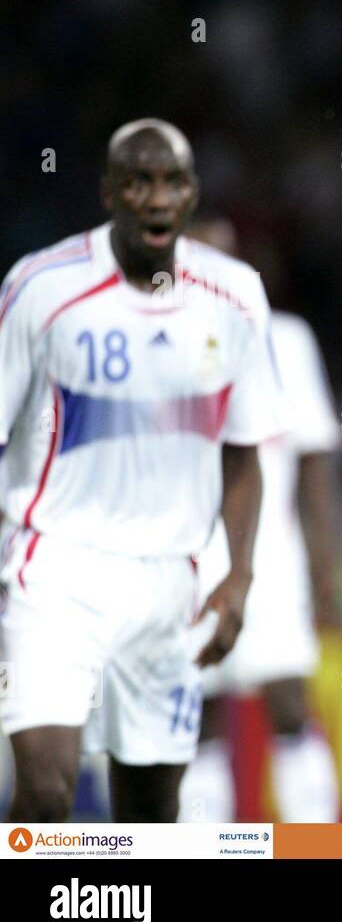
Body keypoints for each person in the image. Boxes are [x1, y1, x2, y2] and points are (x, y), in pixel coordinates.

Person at [0, 119, 281, 822]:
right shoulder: (42, 288)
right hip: (55, 568)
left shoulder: (237, 297)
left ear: (191, 196)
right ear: (108, 193)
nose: (156, 199)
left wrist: (239, 574)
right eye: (138, 182)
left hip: (169, 580)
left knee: (152, 814)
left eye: (172, 182)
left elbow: (243, 452)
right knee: (46, 785)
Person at [178, 217, 341, 824]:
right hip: (190, 554)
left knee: (289, 702)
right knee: (199, 714)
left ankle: (313, 833)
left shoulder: (286, 339)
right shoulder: (159, 341)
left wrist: (325, 562)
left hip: (272, 551)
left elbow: (317, 459)